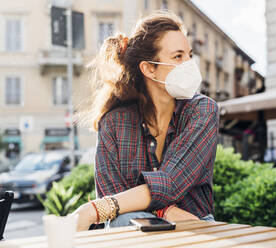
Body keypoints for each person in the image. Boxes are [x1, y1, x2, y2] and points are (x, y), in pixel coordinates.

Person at [72, 11, 219, 231]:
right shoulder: (113, 123)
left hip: (195, 226)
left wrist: (91, 210)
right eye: (178, 57)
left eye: (189, 55)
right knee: (123, 222)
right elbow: (111, 196)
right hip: (133, 229)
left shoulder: (202, 110)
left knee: (122, 219)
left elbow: (172, 182)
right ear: (149, 68)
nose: (189, 64)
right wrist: (164, 211)